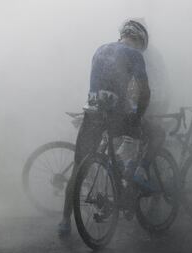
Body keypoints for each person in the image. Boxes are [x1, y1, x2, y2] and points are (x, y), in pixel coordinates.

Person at [58, 20, 152, 236]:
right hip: (116, 116)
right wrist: (138, 116)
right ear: (138, 40)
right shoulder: (134, 54)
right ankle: (130, 177)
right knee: (153, 134)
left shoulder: (100, 49)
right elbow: (145, 91)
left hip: (92, 114)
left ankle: (64, 221)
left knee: (78, 167)